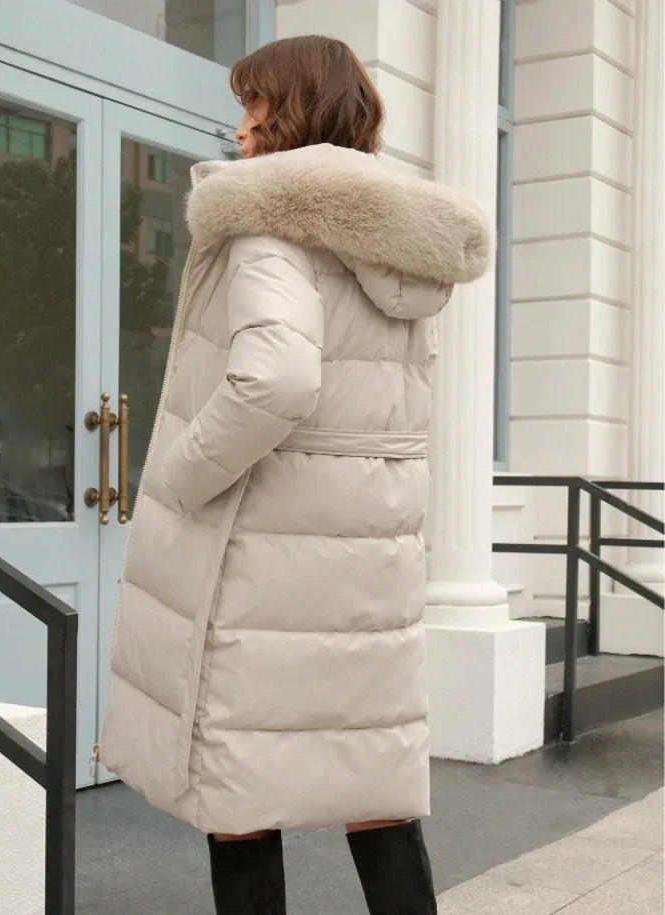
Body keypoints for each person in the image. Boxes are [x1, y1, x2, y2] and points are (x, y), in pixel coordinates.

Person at [97, 34, 489, 914]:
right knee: (373, 791)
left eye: (253, 105)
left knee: (241, 798)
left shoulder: (270, 219)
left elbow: (276, 380)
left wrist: (181, 475)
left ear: (292, 110)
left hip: (265, 561)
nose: (238, 130)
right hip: (362, 562)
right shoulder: (398, 241)